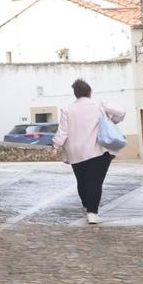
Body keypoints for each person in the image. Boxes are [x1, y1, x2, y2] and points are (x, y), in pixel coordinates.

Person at [52, 78, 124, 224]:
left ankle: (86, 205)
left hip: (75, 152)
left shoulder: (67, 109)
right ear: (90, 92)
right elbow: (121, 113)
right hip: (97, 150)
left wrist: (56, 146)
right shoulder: (99, 106)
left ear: (75, 94)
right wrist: (111, 121)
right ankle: (92, 212)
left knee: (82, 181)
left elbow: (63, 132)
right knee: (95, 182)